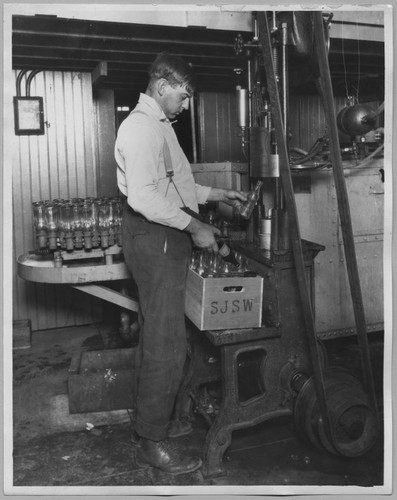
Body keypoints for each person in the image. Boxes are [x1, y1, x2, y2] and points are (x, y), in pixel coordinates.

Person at [114, 52, 247, 475]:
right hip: (155, 238)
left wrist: (218, 194)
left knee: (164, 335)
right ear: (161, 86)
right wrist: (194, 228)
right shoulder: (139, 128)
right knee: (165, 342)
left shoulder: (159, 126)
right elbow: (144, 198)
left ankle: (154, 422)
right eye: (183, 96)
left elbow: (174, 184)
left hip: (163, 235)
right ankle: (149, 441)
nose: (185, 105)